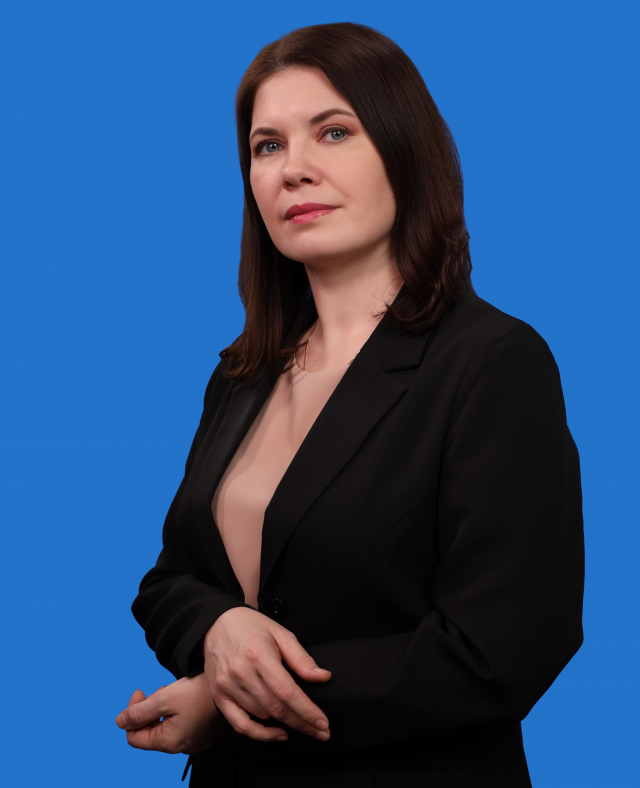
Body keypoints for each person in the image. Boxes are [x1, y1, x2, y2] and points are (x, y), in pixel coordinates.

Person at [115, 22, 585, 788]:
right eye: (267, 146)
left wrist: (234, 700)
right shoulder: (241, 373)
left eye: (333, 132)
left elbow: (502, 650)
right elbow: (170, 580)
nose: (293, 169)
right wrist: (219, 627)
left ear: (405, 151)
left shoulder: (493, 361)